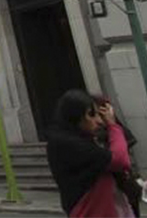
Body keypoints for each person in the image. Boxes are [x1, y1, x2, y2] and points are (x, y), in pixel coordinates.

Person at [47, 89, 133, 217]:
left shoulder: (83, 139)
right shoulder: (68, 143)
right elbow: (120, 160)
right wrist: (113, 126)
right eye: (91, 114)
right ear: (76, 116)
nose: (99, 121)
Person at [93, 94, 142, 217]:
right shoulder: (91, 134)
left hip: (125, 186)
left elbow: (128, 141)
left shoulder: (113, 127)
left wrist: (112, 123)